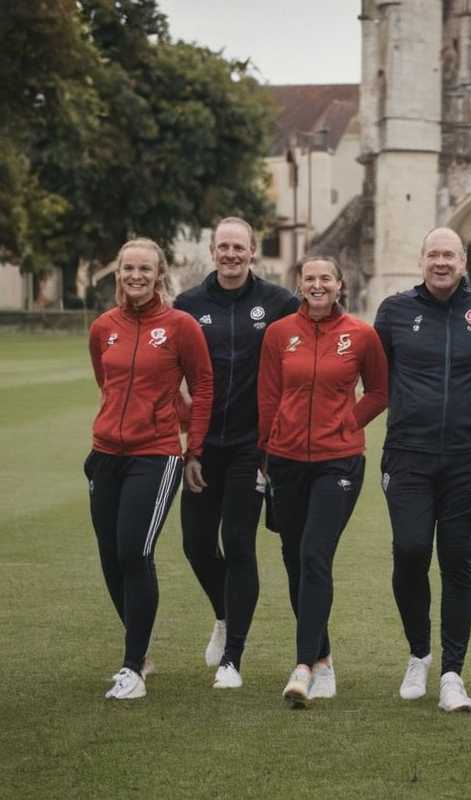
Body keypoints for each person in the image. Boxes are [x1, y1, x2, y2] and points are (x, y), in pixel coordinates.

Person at [373, 228, 471, 711]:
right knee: (409, 552)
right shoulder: (394, 311)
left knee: (457, 562)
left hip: (470, 458)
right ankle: (418, 653)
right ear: (421, 259)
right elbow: (372, 377)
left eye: (449, 254)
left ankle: (452, 672)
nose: (441, 262)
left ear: (463, 260)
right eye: (433, 254)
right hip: (408, 453)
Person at [258, 255, 388, 706]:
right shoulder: (279, 334)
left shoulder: (361, 334)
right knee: (295, 560)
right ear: (299, 285)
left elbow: (378, 391)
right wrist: (266, 452)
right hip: (286, 459)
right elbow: (269, 395)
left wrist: (348, 425)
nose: (317, 285)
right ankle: (324, 657)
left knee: (315, 554)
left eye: (325, 278)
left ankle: (301, 666)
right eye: (309, 278)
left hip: (339, 462)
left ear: (339, 285)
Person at [86, 238, 213, 699]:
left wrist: (193, 448)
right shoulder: (104, 327)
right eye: (127, 268)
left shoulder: (180, 327)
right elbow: (108, 383)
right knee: (109, 555)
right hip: (106, 454)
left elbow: (202, 386)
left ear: (159, 274)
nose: (135, 275)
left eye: (144, 268)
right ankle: (141, 651)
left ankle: (133, 667)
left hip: (156, 454)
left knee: (134, 552)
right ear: (118, 273)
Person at [174, 217, 297, 688]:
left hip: (254, 447)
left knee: (240, 543)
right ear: (212, 249)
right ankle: (223, 615)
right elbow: (172, 377)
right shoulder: (189, 306)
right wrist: (189, 434)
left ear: (252, 252)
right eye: (222, 246)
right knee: (197, 544)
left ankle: (234, 657)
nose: (230, 254)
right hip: (204, 447)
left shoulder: (279, 303)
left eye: (238, 247)